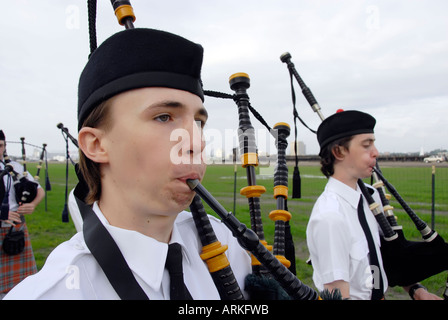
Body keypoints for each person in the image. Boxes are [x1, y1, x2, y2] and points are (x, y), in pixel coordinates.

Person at [4, 28, 251, 300]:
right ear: (96, 145)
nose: (196, 142)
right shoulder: (58, 292)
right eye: (164, 117)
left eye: (199, 123)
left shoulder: (226, 244)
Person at [306, 109, 441, 300]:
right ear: (339, 151)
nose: (376, 152)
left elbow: (381, 261)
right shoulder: (330, 218)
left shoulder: (370, 198)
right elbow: (338, 293)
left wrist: (417, 291)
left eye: (373, 144)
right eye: (366, 145)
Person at [0, 130, 45, 298]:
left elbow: (38, 191)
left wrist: (32, 205)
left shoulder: (13, 167)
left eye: (1, 146)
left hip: (16, 229)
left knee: (22, 285)